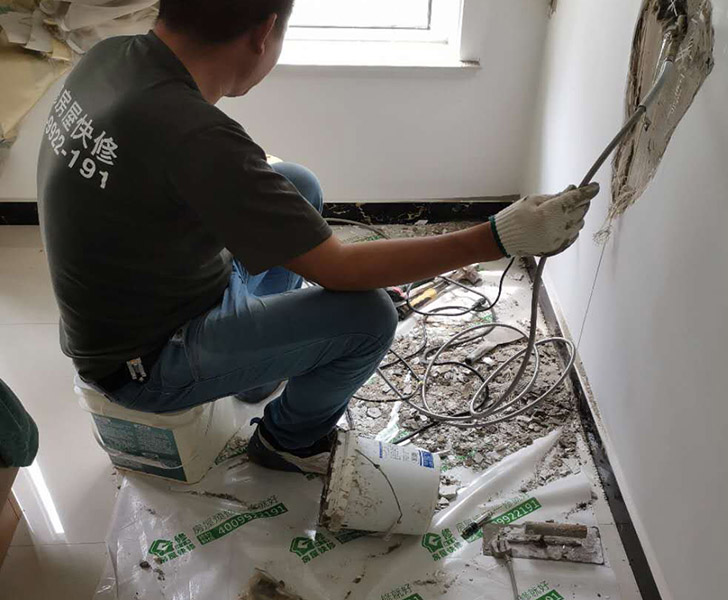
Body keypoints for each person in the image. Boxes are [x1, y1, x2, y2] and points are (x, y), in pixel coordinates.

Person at [37, 0, 599, 475]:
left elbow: (170, 164)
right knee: (368, 318)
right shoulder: (195, 134)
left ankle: (255, 378)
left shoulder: (111, 57)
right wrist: (499, 236)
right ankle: (287, 444)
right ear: (264, 33)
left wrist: (246, 180)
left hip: (140, 300)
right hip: (144, 363)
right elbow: (340, 270)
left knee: (296, 184)